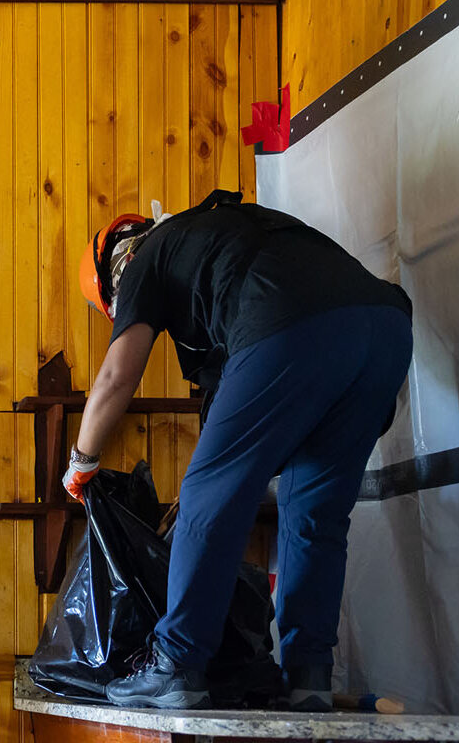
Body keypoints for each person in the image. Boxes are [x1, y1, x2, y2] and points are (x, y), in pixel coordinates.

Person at [62, 190, 413, 712]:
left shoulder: (144, 262)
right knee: (313, 515)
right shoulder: (222, 234)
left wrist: (81, 463)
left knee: (210, 493)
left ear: (115, 272)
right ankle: (308, 678)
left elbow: (116, 376)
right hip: (385, 330)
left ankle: (176, 665)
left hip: (290, 324)